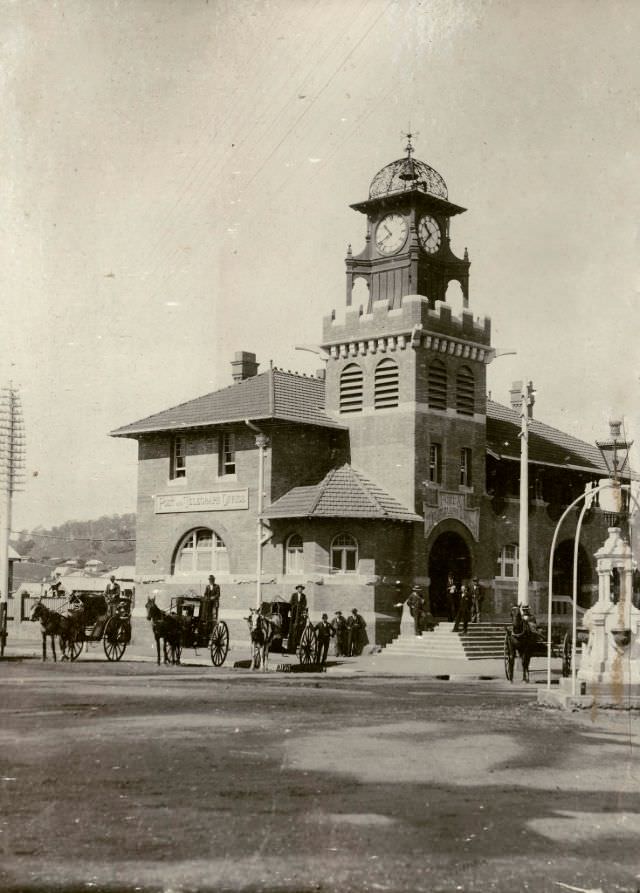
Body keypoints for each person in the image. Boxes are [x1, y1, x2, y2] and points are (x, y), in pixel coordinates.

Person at [288, 585, 307, 653]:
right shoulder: (294, 595)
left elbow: (305, 604)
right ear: (297, 589)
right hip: (294, 611)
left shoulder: (303, 596)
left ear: (302, 590)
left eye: (301, 589)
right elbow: (291, 602)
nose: (300, 590)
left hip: (300, 612)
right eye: (299, 589)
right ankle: (290, 648)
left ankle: (299, 623)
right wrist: (294, 606)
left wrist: (301, 607)